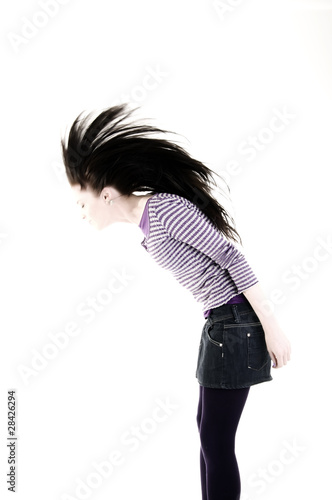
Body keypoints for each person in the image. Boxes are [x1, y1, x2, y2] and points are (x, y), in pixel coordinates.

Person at [61, 103, 291, 500]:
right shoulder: (148, 226)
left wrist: (273, 327)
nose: (80, 213)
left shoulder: (165, 209)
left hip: (234, 322)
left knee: (216, 440)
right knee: (207, 433)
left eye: (82, 203)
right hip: (219, 325)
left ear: (106, 194)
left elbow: (230, 256)